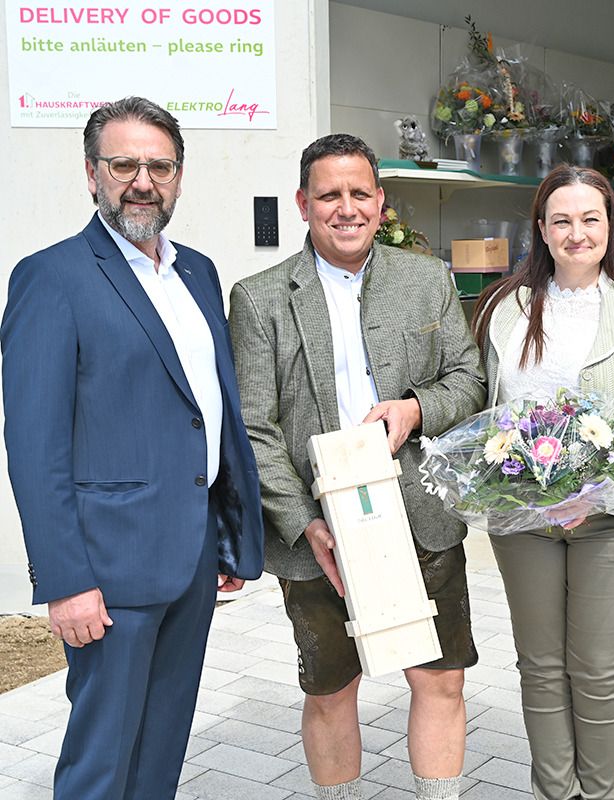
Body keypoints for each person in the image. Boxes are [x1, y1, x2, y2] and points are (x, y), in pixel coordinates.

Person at [1, 96, 264, 798]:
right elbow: (34, 446)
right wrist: (65, 580)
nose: (143, 181)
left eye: (160, 166)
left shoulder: (197, 272)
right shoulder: (52, 277)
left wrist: (226, 534)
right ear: (92, 174)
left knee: (160, 750)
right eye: (124, 165)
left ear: (179, 176)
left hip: (192, 556)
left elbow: (208, 412)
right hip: (107, 570)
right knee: (101, 763)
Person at [228, 133, 486, 800]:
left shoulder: (426, 280)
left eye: (359, 193)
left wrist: (416, 409)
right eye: (329, 195)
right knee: (330, 691)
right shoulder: (259, 299)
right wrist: (303, 523)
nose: (346, 208)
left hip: (421, 514)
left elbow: (469, 380)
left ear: (380, 201)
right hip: (317, 530)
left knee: (441, 680)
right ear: (303, 204)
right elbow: (253, 427)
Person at [470, 164, 614, 800]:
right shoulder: (505, 308)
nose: (576, 233)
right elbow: (488, 412)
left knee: (597, 670)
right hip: (524, 520)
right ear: (541, 229)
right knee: (539, 668)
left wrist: (597, 490)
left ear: (611, 226)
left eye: (590, 219)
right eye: (561, 220)